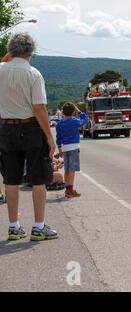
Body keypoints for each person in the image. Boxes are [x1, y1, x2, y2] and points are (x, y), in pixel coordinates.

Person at [0, 33, 58, 241]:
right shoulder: (34, 74)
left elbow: (5, 60)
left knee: (11, 180)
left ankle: (14, 226)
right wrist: (49, 138)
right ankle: (38, 226)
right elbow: (39, 108)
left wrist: (12, 53)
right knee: (38, 180)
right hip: (31, 128)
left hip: (6, 128)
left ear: (12, 51)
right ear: (31, 52)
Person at [56, 102, 88, 198]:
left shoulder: (60, 123)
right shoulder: (74, 122)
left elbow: (58, 137)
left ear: (63, 112)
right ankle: (70, 190)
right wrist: (79, 111)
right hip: (73, 147)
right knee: (72, 170)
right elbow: (85, 120)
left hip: (65, 148)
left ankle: (67, 188)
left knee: (67, 170)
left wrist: (59, 147)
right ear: (73, 112)